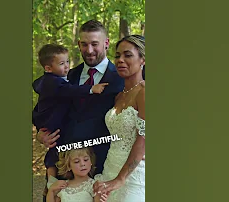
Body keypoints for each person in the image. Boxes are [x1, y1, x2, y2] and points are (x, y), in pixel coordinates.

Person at [37, 19, 125, 177]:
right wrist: (41, 133)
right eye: (84, 44)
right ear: (78, 44)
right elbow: (42, 109)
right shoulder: (65, 77)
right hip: (63, 164)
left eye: (94, 44)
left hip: (102, 167)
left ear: (106, 43)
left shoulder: (121, 79)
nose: (89, 50)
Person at [32, 43, 108, 199]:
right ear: (48, 68)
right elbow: (68, 91)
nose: (66, 66)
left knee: (55, 153)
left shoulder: (118, 77)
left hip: (96, 156)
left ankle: (51, 176)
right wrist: (91, 89)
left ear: (106, 43)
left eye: (67, 62)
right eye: (61, 63)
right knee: (55, 152)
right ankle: (51, 180)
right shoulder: (54, 81)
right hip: (56, 127)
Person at [92, 35, 146, 202]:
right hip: (110, 167)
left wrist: (120, 179)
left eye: (128, 55)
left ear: (142, 60)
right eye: (117, 55)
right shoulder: (119, 96)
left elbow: (143, 138)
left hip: (133, 176)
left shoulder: (145, 92)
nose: (120, 60)